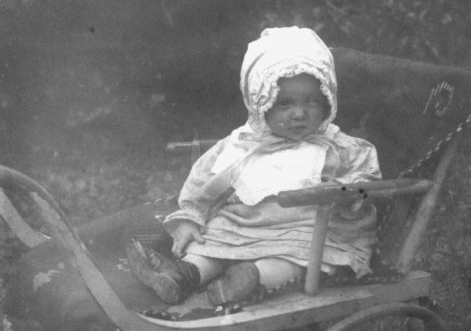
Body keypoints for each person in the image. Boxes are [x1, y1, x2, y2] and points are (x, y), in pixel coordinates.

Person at [127, 26, 381, 307]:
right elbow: (204, 179)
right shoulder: (243, 144)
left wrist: (346, 190)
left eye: (311, 101)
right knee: (211, 243)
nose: (299, 113)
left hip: (304, 230)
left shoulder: (338, 146)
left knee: (295, 261)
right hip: (242, 226)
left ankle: (251, 279)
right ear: (261, 103)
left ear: (327, 99)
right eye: (285, 103)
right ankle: (183, 275)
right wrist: (190, 215)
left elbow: (365, 174)